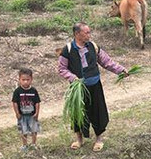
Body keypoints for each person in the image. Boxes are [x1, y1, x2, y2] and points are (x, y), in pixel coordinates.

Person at [58, 22, 127, 151]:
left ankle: (99, 139)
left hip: (94, 85)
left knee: (97, 112)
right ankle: (79, 139)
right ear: (77, 34)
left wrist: (120, 70)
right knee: (78, 113)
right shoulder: (67, 50)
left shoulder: (93, 47)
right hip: (78, 89)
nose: (89, 35)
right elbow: (62, 69)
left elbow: (106, 62)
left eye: (89, 32)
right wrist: (73, 78)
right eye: (86, 32)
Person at [12, 67, 41, 152]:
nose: (25, 82)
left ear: (31, 79)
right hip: (22, 115)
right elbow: (14, 102)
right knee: (23, 130)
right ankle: (25, 145)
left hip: (32, 115)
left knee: (34, 129)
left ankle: (33, 144)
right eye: (23, 79)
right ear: (19, 79)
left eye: (27, 79)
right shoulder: (17, 91)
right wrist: (17, 113)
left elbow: (37, 102)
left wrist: (37, 113)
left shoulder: (33, 90)